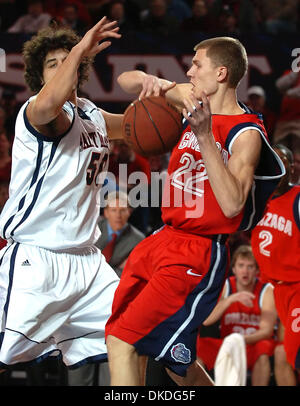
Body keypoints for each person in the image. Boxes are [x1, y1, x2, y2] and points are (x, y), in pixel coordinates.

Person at [105, 36, 285, 386]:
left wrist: (204, 136)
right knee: (168, 361)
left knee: (123, 340)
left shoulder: (246, 132)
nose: (188, 70)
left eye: (196, 64)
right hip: (164, 238)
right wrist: (148, 82)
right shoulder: (190, 99)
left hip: (198, 250)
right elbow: (124, 80)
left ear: (221, 73)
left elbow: (233, 204)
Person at [0, 17, 124, 372]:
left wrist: (168, 95)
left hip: (88, 262)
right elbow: (51, 102)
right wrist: (80, 48)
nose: (60, 68)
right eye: (52, 64)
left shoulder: (91, 114)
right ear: (40, 78)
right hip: (37, 260)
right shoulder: (37, 111)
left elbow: (137, 125)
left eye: (65, 61)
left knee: (136, 335)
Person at [68, 190, 145, 386]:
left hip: (115, 309)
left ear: (130, 212)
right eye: (114, 210)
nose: (118, 214)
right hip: (83, 307)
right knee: (79, 368)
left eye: (123, 210)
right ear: (105, 212)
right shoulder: (89, 233)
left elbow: (133, 280)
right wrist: (117, 270)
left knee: (110, 368)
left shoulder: (139, 241)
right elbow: (78, 268)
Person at [251, 144, 300, 377]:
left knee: (297, 352)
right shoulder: (255, 200)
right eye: (274, 163)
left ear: (293, 169)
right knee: (291, 355)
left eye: (284, 162)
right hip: (276, 289)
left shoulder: (298, 198)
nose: (279, 168)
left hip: (297, 286)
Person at [196, 245, 277, 386]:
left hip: (252, 343)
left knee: (263, 349)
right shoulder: (226, 285)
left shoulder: (267, 290)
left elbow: (266, 331)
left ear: (257, 270)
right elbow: (207, 320)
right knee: (199, 347)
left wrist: (238, 340)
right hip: (227, 342)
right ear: (233, 269)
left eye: (250, 266)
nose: (245, 271)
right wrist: (230, 299)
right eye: (241, 265)